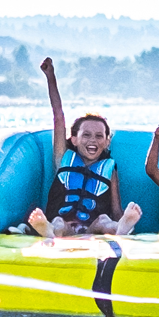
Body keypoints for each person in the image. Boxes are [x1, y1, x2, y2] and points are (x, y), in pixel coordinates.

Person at [23, 57, 142, 237]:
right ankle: (48, 231)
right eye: (86, 135)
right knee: (58, 222)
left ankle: (120, 230)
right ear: (74, 139)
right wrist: (50, 77)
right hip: (66, 226)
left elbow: (116, 208)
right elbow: (58, 116)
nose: (92, 140)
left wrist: (122, 221)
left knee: (105, 221)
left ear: (107, 142)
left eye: (99, 136)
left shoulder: (109, 168)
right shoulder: (63, 158)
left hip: (92, 229)